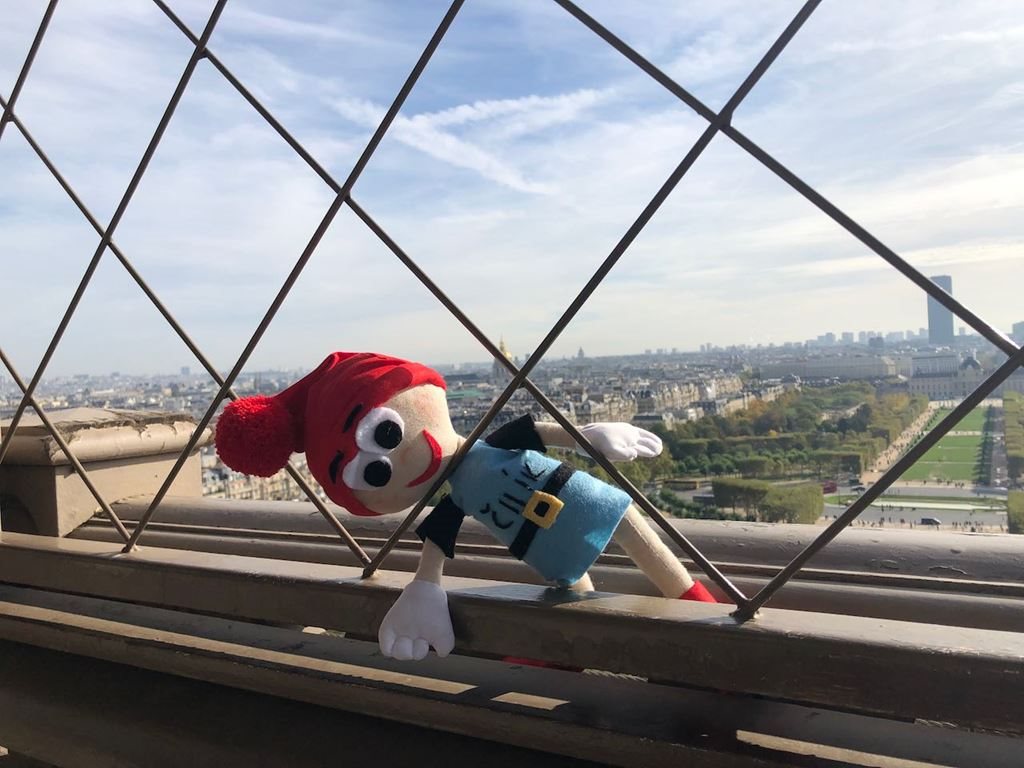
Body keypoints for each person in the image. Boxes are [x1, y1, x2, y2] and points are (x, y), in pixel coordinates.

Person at [215, 351, 715, 661]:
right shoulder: (471, 476)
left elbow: (440, 537)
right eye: (373, 474)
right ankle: (684, 608)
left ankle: (676, 602)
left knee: (608, 545)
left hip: (544, 529)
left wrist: (589, 435)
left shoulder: (468, 479)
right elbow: (531, 435)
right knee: (595, 562)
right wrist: (424, 589)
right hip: (556, 520)